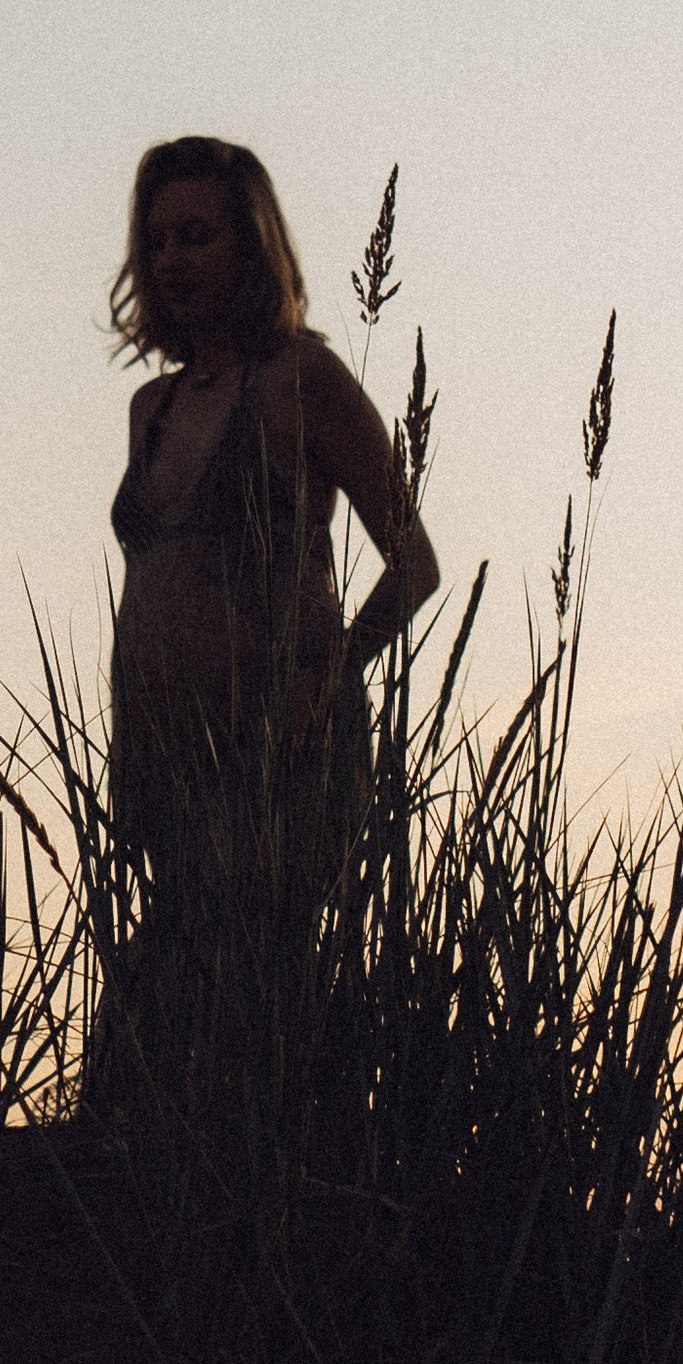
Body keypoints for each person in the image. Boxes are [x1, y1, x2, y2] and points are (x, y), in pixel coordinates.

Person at [97, 137, 440, 1122]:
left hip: (273, 761)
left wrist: (321, 679)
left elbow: (412, 564)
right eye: (158, 240)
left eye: (198, 235)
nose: (174, 260)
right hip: (165, 761)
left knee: (206, 1017)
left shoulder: (304, 380)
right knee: (169, 1014)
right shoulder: (150, 408)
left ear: (252, 247)